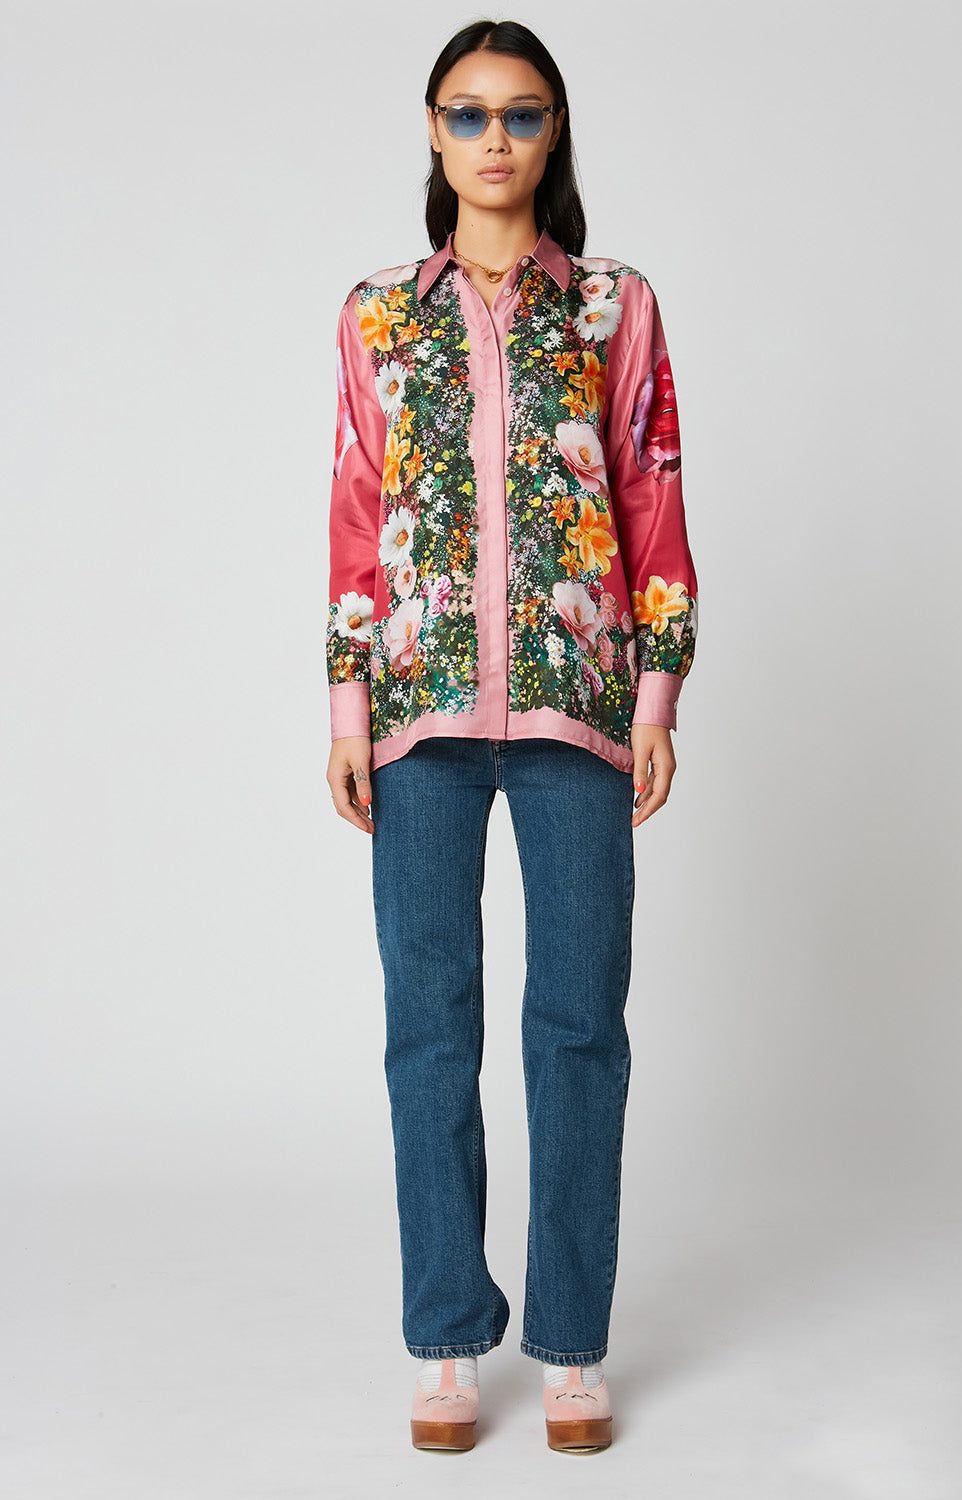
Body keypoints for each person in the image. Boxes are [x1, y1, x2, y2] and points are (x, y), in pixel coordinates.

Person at [324, 18, 698, 1455]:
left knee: (579, 1025)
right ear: (434, 132)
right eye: (469, 114)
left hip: (577, 705)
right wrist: (347, 704)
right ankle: (444, 1337)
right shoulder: (378, 312)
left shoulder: (614, 305)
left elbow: (652, 496)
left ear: (554, 133)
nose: (495, 139)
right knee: (428, 1029)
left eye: (522, 114)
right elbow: (358, 514)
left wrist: (656, 697)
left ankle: (573, 1343)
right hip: (417, 713)